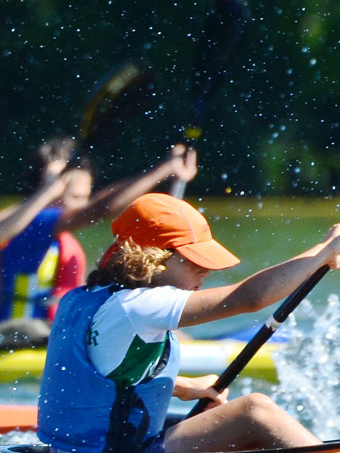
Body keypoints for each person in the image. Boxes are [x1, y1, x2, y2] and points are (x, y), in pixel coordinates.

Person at [36, 193, 340, 453]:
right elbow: (251, 297)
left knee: (234, 428)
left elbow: (101, 375)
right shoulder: (140, 306)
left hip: (79, 452)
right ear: (151, 259)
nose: (205, 271)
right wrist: (322, 252)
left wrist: (180, 386)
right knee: (254, 411)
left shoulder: (84, 298)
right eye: (192, 260)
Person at [0, 138, 199, 342]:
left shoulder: (59, 241)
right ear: (43, 189)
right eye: (67, 193)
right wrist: (163, 170)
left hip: (56, 333)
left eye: (81, 197)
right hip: (17, 336)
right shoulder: (25, 229)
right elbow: (100, 208)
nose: (79, 208)